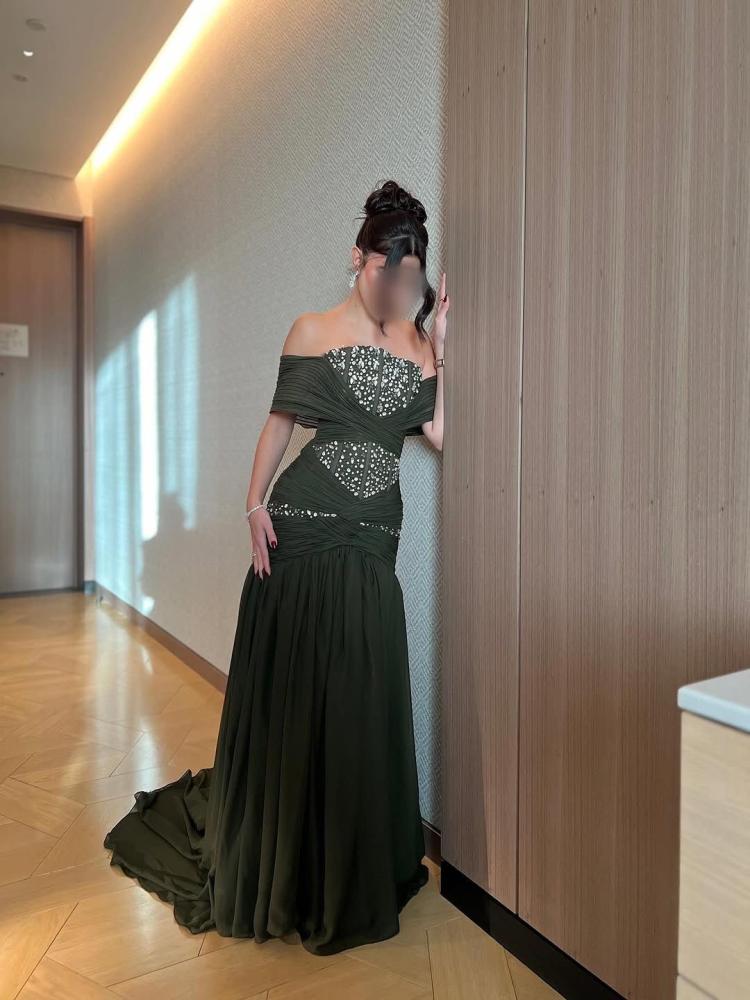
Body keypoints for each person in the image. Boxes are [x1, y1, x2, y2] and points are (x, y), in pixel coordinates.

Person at [102, 178, 449, 956]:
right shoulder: (312, 329)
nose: (396, 285)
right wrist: (253, 504)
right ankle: (289, 867)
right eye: (386, 269)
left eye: (409, 275)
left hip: (374, 538)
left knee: (356, 694)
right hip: (304, 524)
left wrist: (446, 346)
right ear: (357, 259)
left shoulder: (420, 343)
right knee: (302, 695)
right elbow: (280, 423)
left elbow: (441, 435)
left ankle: (345, 866)